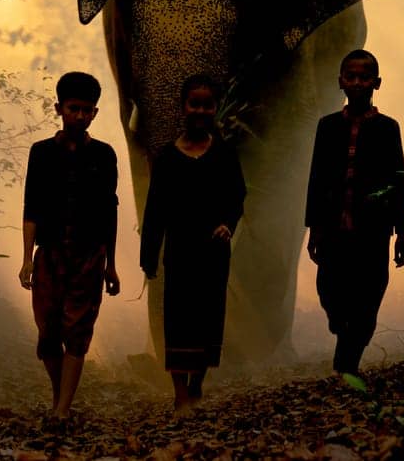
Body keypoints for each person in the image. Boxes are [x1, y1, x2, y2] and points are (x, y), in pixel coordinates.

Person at [139, 73, 247, 411]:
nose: (200, 110)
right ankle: (180, 393)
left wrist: (228, 224)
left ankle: (197, 382)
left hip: (213, 252)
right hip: (180, 250)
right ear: (183, 107)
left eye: (207, 105)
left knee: (208, 317)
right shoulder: (168, 158)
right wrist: (149, 255)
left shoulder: (224, 155)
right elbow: (155, 208)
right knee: (178, 318)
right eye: (194, 104)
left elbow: (237, 195)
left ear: (215, 109)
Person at [19, 71, 122, 420]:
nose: (79, 115)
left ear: (94, 113)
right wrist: (26, 259)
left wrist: (111, 265)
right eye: (73, 108)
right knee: (48, 333)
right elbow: (31, 206)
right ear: (59, 109)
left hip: (89, 255)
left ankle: (62, 410)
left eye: (86, 110)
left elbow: (110, 212)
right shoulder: (42, 153)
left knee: (77, 330)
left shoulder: (105, 156)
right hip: (49, 254)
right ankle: (58, 393)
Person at [304, 49, 404, 377]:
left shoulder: (388, 129)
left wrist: (402, 233)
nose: (357, 82)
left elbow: (398, 179)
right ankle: (342, 328)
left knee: (370, 292)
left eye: (364, 77)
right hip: (334, 227)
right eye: (351, 76)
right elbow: (316, 178)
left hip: (373, 230)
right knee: (329, 289)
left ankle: (346, 362)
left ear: (377, 83)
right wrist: (314, 228)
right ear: (341, 82)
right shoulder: (327, 127)